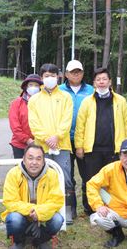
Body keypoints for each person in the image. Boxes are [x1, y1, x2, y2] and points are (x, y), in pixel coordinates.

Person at [74, 67, 127, 212]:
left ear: (110, 81)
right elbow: (80, 125)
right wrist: (79, 146)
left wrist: (126, 147)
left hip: (114, 149)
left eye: (104, 79)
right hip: (92, 149)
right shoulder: (87, 102)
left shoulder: (121, 101)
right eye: (98, 79)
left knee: (113, 181)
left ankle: (111, 206)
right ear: (94, 83)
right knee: (91, 179)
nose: (101, 82)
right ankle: (90, 207)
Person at [28, 63, 74, 224]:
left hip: (62, 145)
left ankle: (66, 210)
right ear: (41, 78)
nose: (50, 79)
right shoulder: (34, 100)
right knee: (42, 178)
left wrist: (57, 137)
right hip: (41, 146)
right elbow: (33, 123)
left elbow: (67, 120)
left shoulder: (65, 97)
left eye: (53, 75)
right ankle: (43, 211)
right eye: (46, 76)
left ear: (58, 77)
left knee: (65, 178)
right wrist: (46, 137)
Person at [1, 144, 65, 249]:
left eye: (38, 159)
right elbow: (10, 201)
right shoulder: (13, 174)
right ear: (24, 159)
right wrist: (33, 210)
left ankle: (41, 240)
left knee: (57, 220)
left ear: (43, 161)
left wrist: (39, 213)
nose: (34, 162)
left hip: (43, 216)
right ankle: (19, 241)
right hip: (22, 215)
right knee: (14, 219)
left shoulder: (51, 174)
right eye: (30, 158)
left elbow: (56, 200)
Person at [59, 59, 95, 217]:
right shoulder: (59, 90)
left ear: (83, 73)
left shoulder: (91, 90)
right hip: (64, 139)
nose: (76, 74)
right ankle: (70, 208)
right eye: (72, 71)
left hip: (85, 139)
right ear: (66, 74)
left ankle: (89, 207)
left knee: (88, 174)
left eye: (78, 71)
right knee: (67, 176)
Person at [8, 74, 43, 158]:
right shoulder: (17, 103)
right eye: (31, 85)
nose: (33, 87)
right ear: (26, 87)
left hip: (40, 144)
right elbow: (15, 126)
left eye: (36, 85)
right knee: (21, 169)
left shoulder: (44, 103)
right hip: (20, 145)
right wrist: (27, 140)